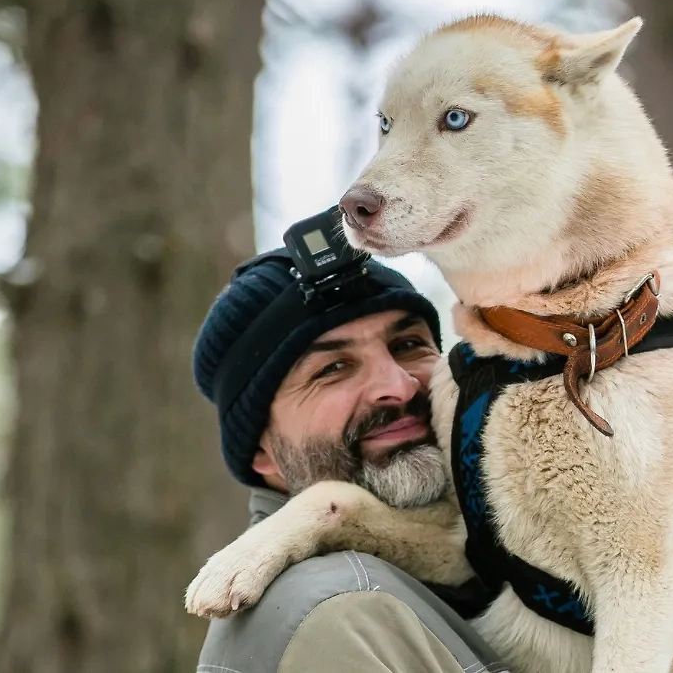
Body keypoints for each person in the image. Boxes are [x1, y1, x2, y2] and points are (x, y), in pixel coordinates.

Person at [190, 244, 504, 673]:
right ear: (262, 453)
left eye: (409, 344)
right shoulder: (339, 613)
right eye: (333, 368)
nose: (399, 385)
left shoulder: (503, 543)